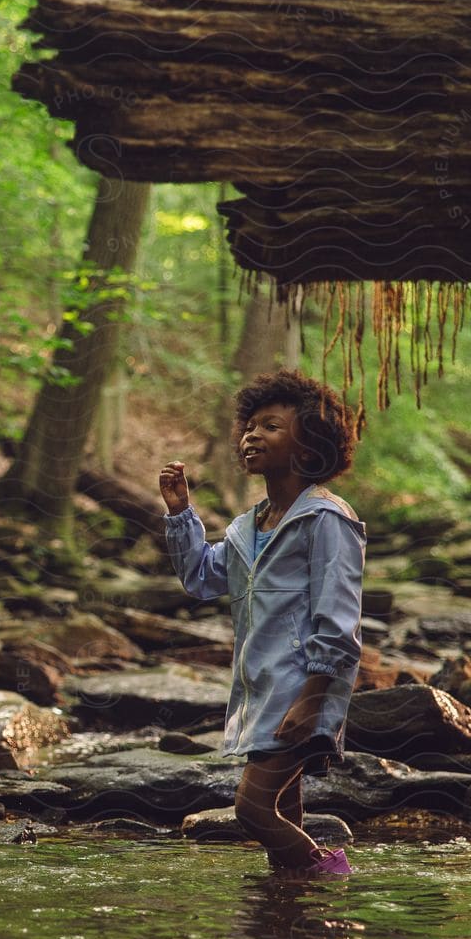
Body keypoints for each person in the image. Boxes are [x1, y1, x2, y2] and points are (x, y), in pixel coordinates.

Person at [159, 369, 366, 874]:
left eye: (271, 426)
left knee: (251, 810)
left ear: (308, 443)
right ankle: (290, 913)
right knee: (284, 809)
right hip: (259, 690)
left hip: (300, 691)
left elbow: (339, 618)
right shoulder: (248, 526)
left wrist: (313, 698)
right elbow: (202, 578)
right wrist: (182, 514)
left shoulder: (326, 519)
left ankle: (330, 876)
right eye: (249, 426)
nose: (252, 435)